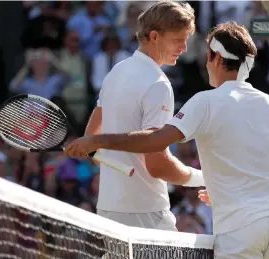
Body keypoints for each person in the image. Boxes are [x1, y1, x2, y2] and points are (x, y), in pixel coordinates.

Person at [65, 22, 269, 259]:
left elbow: (155, 140)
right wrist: (224, 190)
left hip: (242, 229)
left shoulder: (205, 101)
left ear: (214, 57)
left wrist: (97, 140)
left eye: (207, 57)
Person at [81, 1, 199, 232]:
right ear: (154, 37)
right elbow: (157, 165)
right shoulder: (159, 85)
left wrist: (111, 157)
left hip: (107, 210)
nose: (184, 47)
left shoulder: (117, 71)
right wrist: (203, 179)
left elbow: (91, 142)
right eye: (178, 40)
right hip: (146, 214)